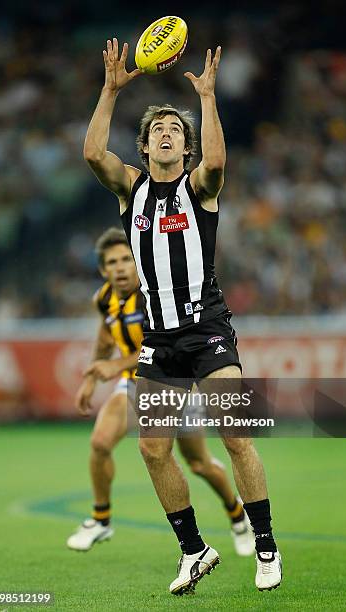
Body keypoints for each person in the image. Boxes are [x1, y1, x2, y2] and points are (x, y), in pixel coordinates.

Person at [83, 39, 282, 594]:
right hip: (159, 338)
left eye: (177, 129)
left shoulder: (199, 188)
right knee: (152, 449)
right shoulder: (131, 190)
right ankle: (193, 550)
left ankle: (266, 546)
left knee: (235, 436)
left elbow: (218, 162)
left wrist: (207, 98)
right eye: (159, 129)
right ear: (144, 147)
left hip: (207, 328)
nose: (169, 132)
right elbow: (93, 154)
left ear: (185, 148)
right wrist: (111, 89)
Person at [67, 227, 255, 557]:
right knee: (99, 442)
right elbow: (104, 337)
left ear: (138, 262)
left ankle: (237, 516)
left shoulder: (154, 297)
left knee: (198, 463)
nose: (121, 267)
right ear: (102, 269)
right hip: (133, 384)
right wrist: (92, 375)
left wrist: (114, 365)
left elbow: (162, 347)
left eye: (127, 259)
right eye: (112, 262)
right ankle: (101, 518)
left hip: (174, 382)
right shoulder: (104, 299)